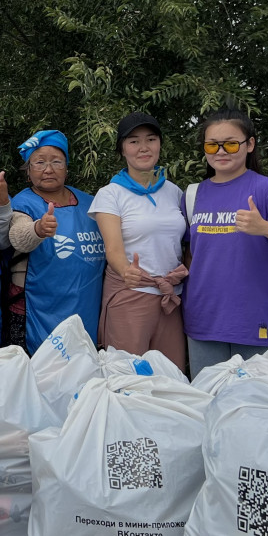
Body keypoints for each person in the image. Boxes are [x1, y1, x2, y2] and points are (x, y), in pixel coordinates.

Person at [181, 107, 268, 377]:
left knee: (254, 408)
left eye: (230, 143)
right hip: (202, 317)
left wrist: (263, 227)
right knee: (207, 405)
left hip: (253, 318)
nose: (221, 151)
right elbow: (190, 254)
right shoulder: (193, 194)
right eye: (212, 145)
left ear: (249, 144)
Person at [89, 113, 188, 368]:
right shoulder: (110, 194)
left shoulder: (174, 191)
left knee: (171, 377)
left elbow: (184, 244)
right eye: (133, 141)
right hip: (130, 294)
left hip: (171, 298)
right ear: (122, 149)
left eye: (151, 139)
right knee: (128, 378)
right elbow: (112, 248)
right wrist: (125, 270)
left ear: (159, 144)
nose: (143, 148)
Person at [7, 129, 105, 354]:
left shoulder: (91, 204)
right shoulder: (24, 202)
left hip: (86, 309)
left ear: (67, 167)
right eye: (39, 162)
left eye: (56, 161)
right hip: (38, 310)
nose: (48, 169)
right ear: (28, 171)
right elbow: (19, 236)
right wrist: (38, 229)